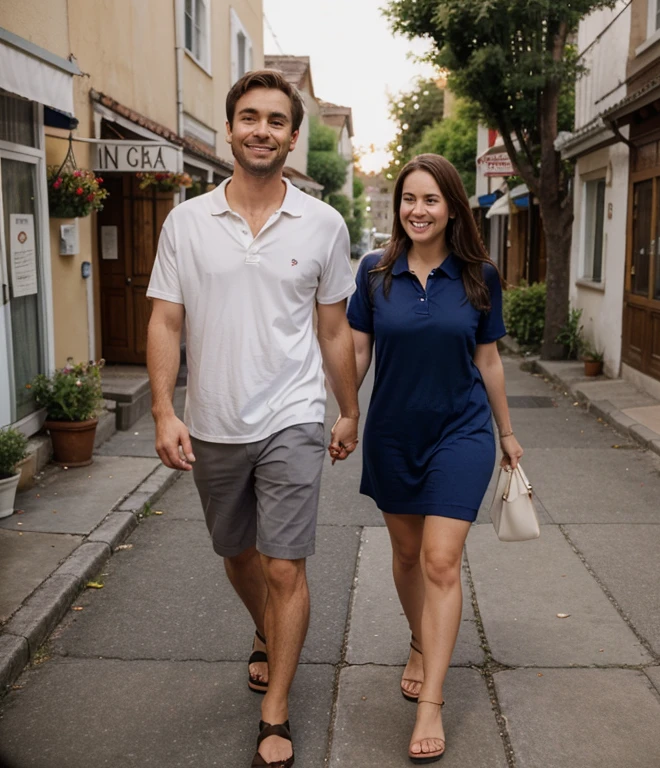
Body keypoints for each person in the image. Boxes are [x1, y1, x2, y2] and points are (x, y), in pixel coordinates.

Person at [146, 70, 359, 768]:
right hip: (212, 421)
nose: (261, 129)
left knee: (284, 565)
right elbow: (166, 321)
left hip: (292, 416)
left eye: (275, 119)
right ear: (230, 128)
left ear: (293, 137)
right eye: (248, 117)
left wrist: (347, 409)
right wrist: (163, 410)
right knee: (237, 555)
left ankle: (276, 713)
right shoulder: (186, 222)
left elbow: (332, 332)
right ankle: (268, 633)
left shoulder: (325, 225)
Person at [346, 154, 524, 764]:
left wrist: (506, 434)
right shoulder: (375, 272)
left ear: (452, 207)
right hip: (395, 433)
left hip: (462, 431)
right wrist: (347, 412)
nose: (417, 211)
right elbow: (359, 354)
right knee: (404, 555)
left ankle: (432, 704)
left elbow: (489, 360)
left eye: (430, 200)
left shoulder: (479, 275)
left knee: (440, 561)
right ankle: (421, 642)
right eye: (407, 199)